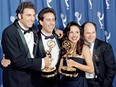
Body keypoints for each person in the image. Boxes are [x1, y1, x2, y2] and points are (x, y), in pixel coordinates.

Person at [1, 2, 52, 87]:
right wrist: (42, 62)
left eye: (33, 15)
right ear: (20, 16)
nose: (32, 19)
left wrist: (56, 30)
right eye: (28, 15)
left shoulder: (34, 28)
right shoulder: (9, 32)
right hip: (16, 81)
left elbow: (44, 30)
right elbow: (17, 60)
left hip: (33, 79)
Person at [59, 21, 94, 87]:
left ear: (80, 34)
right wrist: (68, 73)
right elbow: (59, 70)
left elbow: (91, 69)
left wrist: (74, 64)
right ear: (67, 34)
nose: (74, 35)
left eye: (77, 32)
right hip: (65, 84)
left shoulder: (85, 48)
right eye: (71, 32)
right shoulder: (64, 47)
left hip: (80, 84)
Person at [33, 7, 61, 87]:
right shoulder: (34, 38)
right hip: (38, 81)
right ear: (41, 22)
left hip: (56, 81)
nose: (51, 23)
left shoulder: (59, 37)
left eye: (53, 20)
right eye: (48, 20)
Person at [81, 21, 116, 87]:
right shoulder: (78, 46)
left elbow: (111, 70)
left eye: (93, 32)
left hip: (100, 83)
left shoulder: (105, 47)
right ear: (82, 33)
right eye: (88, 33)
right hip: (83, 82)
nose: (91, 36)